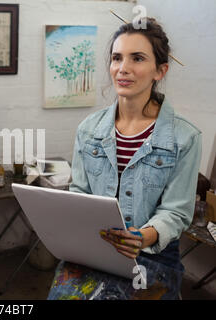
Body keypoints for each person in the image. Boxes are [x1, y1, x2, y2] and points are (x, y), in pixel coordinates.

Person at [48, 18, 201, 300]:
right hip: (93, 251)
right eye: (117, 58)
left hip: (153, 257)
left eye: (138, 58)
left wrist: (142, 237)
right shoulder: (88, 129)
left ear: (160, 70)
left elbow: (177, 213)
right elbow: (80, 193)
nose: (123, 68)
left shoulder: (185, 138)